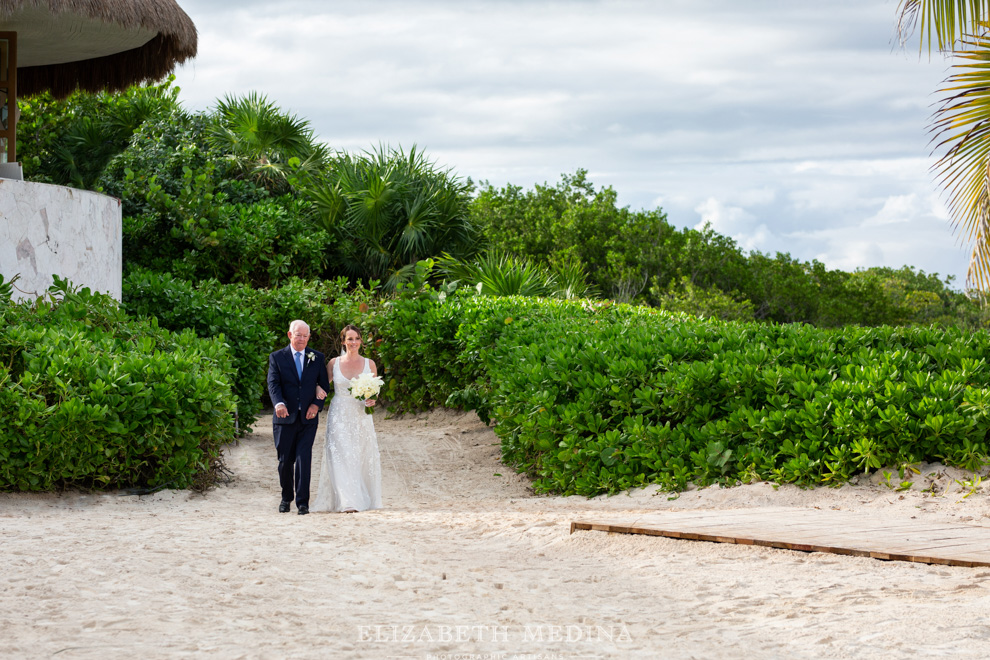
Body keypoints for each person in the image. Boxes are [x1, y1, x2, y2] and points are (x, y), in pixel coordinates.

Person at [312, 324, 383, 513]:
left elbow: (374, 393)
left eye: (357, 338)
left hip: (361, 416)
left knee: (360, 456)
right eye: (349, 339)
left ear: (361, 341)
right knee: (341, 456)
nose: (353, 342)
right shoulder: (333, 363)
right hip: (339, 415)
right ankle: (347, 502)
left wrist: (372, 400)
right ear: (343, 341)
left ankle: (361, 497)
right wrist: (316, 391)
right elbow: (323, 386)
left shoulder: (370, 364)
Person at [267, 320, 331, 515]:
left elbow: (324, 385)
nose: (301, 339)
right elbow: (273, 383)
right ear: (289, 335)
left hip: (308, 418)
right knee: (285, 461)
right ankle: (286, 498)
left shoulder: (317, 357)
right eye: (298, 335)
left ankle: (303, 503)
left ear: (309, 337)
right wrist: (278, 403)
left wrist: (316, 405)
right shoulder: (277, 357)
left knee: (304, 458)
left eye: (305, 335)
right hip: (284, 417)